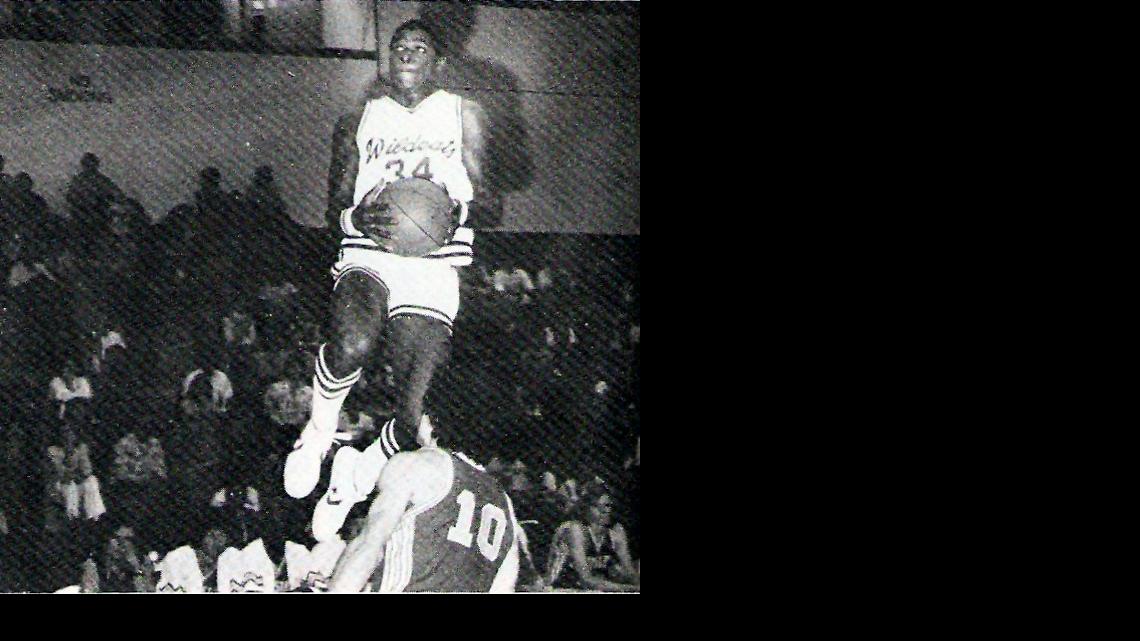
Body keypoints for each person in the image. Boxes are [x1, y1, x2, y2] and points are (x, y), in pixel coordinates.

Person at [283, 19, 492, 500]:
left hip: (437, 260)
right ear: (386, 59)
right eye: (399, 46)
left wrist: (453, 209)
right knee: (352, 345)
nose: (407, 53)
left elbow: (488, 197)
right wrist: (356, 218)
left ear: (439, 63)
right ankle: (317, 433)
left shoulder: (465, 113)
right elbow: (334, 204)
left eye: (420, 47)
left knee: (414, 415)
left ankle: (356, 477)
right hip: (371, 249)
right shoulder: (359, 118)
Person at [326, 416, 522, 593]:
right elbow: (503, 588)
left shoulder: (418, 463)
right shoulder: (506, 505)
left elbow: (367, 547)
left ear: (429, 420)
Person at [544, 485, 640, 592]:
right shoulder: (575, 529)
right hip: (561, 586)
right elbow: (585, 578)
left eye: (608, 506)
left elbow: (630, 572)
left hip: (591, 588)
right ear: (585, 508)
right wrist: (630, 588)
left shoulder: (616, 530)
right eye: (598, 506)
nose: (605, 510)